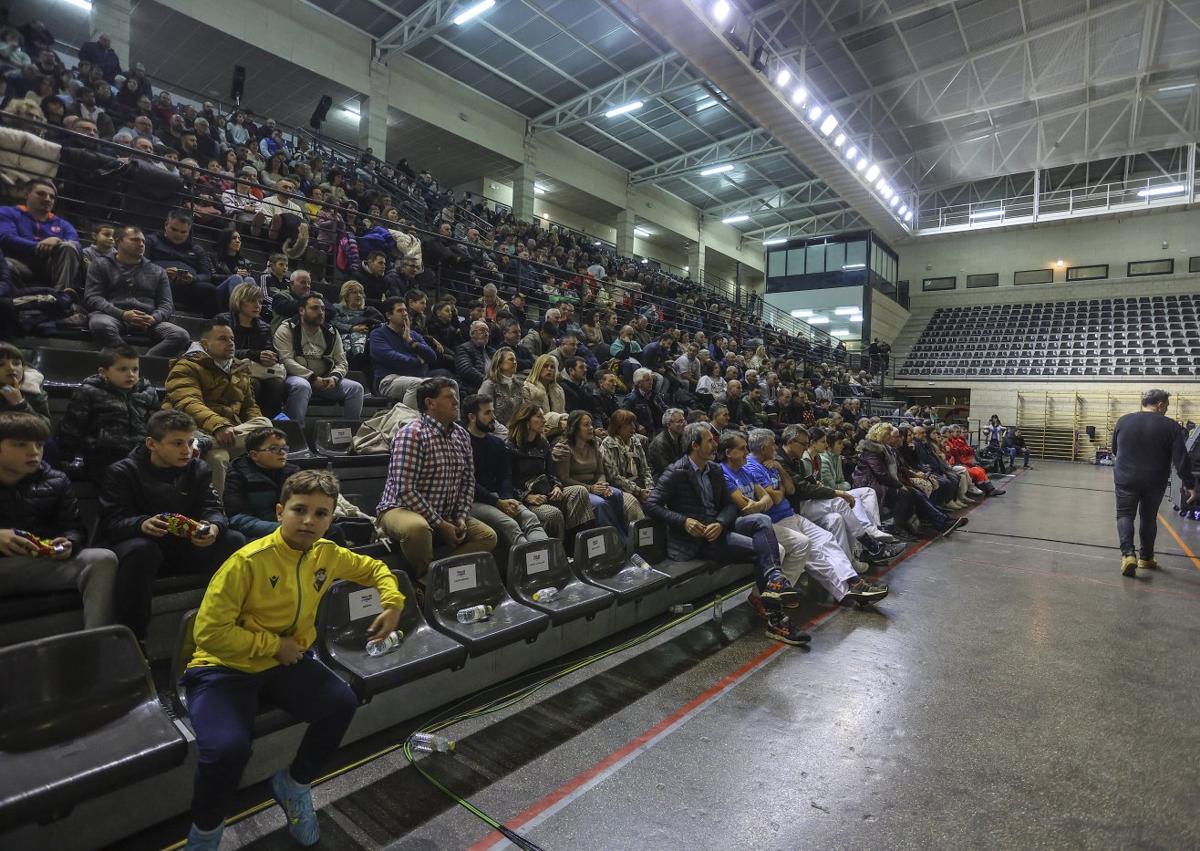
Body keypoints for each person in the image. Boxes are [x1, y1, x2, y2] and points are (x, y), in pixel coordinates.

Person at [180, 469, 402, 851]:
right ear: (281, 511)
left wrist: (393, 602)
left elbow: (374, 568)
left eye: (321, 514)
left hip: (285, 660)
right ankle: (205, 834)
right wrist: (273, 646)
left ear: (332, 518)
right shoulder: (247, 561)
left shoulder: (327, 554)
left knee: (341, 703)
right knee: (226, 751)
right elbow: (209, 633)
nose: (309, 521)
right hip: (224, 667)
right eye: (300, 510)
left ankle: (294, 784)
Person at [645, 422, 808, 645]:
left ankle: (774, 580)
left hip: (717, 530)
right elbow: (651, 505)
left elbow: (729, 507)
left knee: (761, 519)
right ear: (695, 445)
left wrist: (721, 523)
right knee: (764, 549)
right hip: (694, 540)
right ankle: (777, 618)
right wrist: (684, 521)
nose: (715, 444)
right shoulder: (676, 471)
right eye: (709, 441)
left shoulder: (713, 470)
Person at [98, 410, 245, 643]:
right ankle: (134, 641)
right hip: (140, 549)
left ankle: (225, 623)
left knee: (233, 540)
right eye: (177, 443)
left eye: (190, 442)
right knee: (142, 550)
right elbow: (111, 522)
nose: (187, 450)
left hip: (182, 546)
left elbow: (213, 509)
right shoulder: (122, 471)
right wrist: (141, 523)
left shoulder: (198, 469)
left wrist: (213, 527)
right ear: (151, 443)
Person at [738, 428, 888, 613]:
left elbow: (790, 489)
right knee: (814, 553)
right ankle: (849, 589)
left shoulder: (774, 463)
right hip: (776, 521)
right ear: (763, 447)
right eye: (772, 444)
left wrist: (778, 469)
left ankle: (854, 581)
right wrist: (780, 489)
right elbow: (777, 497)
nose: (775, 447)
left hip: (791, 515)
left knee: (827, 539)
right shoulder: (751, 466)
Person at [0, 411, 117, 628]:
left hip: (40, 563)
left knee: (103, 559)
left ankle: (97, 644)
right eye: (20, 445)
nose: (33, 452)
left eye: (39, 445)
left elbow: (74, 528)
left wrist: (68, 543)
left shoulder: (56, 479)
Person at [376, 378, 497, 583]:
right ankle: (427, 581)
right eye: (449, 397)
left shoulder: (461, 434)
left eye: (456, 397)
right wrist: (440, 524)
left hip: (445, 512)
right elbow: (405, 490)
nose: (456, 402)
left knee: (487, 536)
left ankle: (433, 579)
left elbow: (467, 481)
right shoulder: (412, 434)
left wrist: (459, 516)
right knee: (418, 529)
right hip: (399, 508)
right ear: (430, 403)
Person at [163, 319, 274, 495]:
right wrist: (219, 426)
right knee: (218, 457)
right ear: (205, 344)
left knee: (264, 427)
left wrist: (257, 435)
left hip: (231, 432)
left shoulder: (239, 368)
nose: (230, 343)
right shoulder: (186, 366)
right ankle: (216, 513)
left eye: (232, 339)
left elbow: (250, 407)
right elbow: (189, 403)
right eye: (223, 339)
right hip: (196, 429)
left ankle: (204, 445)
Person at [1112, 389, 1195, 576]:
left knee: (1124, 515)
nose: (1166, 409)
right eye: (1166, 405)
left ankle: (1128, 555)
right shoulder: (1171, 426)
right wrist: (1190, 485)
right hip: (1154, 479)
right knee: (1149, 518)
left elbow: (1116, 449)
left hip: (1125, 477)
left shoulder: (1123, 420)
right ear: (1159, 404)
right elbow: (1181, 460)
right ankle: (1146, 558)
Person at [464, 394, 559, 550]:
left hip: (498, 497)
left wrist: (507, 499)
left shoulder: (497, 443)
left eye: (493, 412)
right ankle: (531, 567)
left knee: (530, 518)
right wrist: (499, 503)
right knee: (510, 524)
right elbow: (468, 483)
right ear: (472, 417)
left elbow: (505, 476)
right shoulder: (462, 443)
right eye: (487, 413)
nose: (493, 417)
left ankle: (548, 563)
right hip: (473, 500)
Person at [57, 345, 159, 484]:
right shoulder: (89, 392)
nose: (131, 374)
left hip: (140, 453)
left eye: (135, 369)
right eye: (123, 369)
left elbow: (155, 424)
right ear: (103, 372)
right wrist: (66, 456)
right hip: (104, 455)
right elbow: (73, 426)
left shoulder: (147, 392)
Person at [84, 224, 191, 357]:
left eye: (143, 241)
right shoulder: (100, 264)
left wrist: (154, 318)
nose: (141, 244)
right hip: (113, 316)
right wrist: (122, 314)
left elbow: (166, 304)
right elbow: (92, 297)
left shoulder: (157, 271)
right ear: (118, 241)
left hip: (148, 319)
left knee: (181, 335)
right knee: (100, 325)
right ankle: (129, 360)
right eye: (135, 240)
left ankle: (144, 363)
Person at [274, 294, 365, 427]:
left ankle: (348, 434)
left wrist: (334, 377)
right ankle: (297, 433)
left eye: (322, 309)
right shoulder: (287, 329)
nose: (320, 312)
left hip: (324, 380)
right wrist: (311, 377)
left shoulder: (331, 332)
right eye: (314, 308)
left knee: (356, 388)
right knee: (302, 386)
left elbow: (342, 362)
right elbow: (286, 360)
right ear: (301, 311)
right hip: (294, 377)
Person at [505, 402, 594, 536]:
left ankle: (576, 547)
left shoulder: (543, 443)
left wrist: (557, 486)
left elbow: (551, 473)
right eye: (539, 417)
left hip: (546, 491)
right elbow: (506, 481)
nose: (544, 420)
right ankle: (556, 553)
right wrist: (526, 497)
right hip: (526, 496)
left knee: (579, 491)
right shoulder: (509, 446)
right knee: (553, 514)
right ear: (526, 420)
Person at [556, 410, 636, 538]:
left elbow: (600, 472)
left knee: (616, 494)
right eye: (586, 425)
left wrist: (602, 485)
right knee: (600, 504)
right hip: (577, 490)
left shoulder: (594, 444)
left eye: (591, 424)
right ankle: (617, 542)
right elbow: (564, 479)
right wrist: (590, 488)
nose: (591, 428)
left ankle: (625, 534)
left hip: (595, 485)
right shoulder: (563, 448)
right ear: (575, 428)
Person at [215, 283, 288, 419]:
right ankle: (246, 421)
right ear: (239, 301)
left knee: (277, 383)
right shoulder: (223, 321)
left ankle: (268, 423)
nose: (257, 305)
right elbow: (221, 349)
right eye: (252, 301)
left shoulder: (264, 326)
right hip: (226, 368)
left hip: (255, 369)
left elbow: (271, 351)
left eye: (260, 302)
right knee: (252, 383)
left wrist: (271, 357)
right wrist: (252, 354)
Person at [0, 178, 83, 293]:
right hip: (20, 264)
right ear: (26, 195)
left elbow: (76, 244)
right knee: (6, 265)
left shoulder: (63, 224)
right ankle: (18, 301)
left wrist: (57, 240)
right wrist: (38, 246)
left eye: (52, 197)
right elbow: (6, 238)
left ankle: (61, 298)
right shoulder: (8, 213)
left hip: (51, 269)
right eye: (41, 194)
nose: (48, 199)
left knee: (69, 246)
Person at [369, 296, 456, 405]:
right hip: (389, 380)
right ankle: (411, 421)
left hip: (417, 377)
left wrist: (411, 342)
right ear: (389, 315)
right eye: (400, 311)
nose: (405, 313)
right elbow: (391, 357)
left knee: (451, 384)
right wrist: (417, 361)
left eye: (405, 310)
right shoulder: (378, 334)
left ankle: (453, 421)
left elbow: (432, 357)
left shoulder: (413, 335)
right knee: (417, 384)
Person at [222, 427, 302, 541]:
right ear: (254, 455)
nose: (282, 452)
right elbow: (236, 517)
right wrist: (280, 529)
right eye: (274, 448)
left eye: (284, 448)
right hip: (257, 535)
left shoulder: (293, 472)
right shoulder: (238, 473)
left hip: (292, 530)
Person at [144, 208, 219, 316]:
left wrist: (193, 278)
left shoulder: (197, 249)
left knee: (209, 289)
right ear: (166, 224)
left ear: (189, 231)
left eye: (183, 232)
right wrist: (162, 272)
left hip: (189, 287)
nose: (178, 234)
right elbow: (142, 264)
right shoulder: (151, 241)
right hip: (158, 282)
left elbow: (207, 275)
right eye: (174, 229)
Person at [600, 409, 654, 505]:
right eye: (629, 424)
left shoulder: (635, 440)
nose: (633, 427)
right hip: (621, 488)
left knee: (659, 500)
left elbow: (645, 469)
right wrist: (638, 491)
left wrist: (649, 488)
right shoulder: (608, 444)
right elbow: (614, 477)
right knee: (634, 504)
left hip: (640, 484)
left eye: (633, 423)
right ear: (618, 427)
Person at [0, 342, 50, 426]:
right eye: (1, 364)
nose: (11, 368)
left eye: (16, 363)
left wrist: (20, 404)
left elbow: (44, 428)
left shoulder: (32, 390)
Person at [454, 320, 495, 394]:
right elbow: (466, 370)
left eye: (487, 331)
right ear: (472, 334)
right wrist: (487, 382)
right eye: (482, 330)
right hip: (474, 388)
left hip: (493, 386)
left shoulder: (492, 351)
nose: (486, 333)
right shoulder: (463, 348)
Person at [646, 408, 686, 479]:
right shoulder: (660, 443)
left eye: (683, 420)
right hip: (660, 479)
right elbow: (665, 470)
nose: (683, 424)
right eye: (679, 421)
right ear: (669, 425)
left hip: (676, 474)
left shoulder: (681, 436)